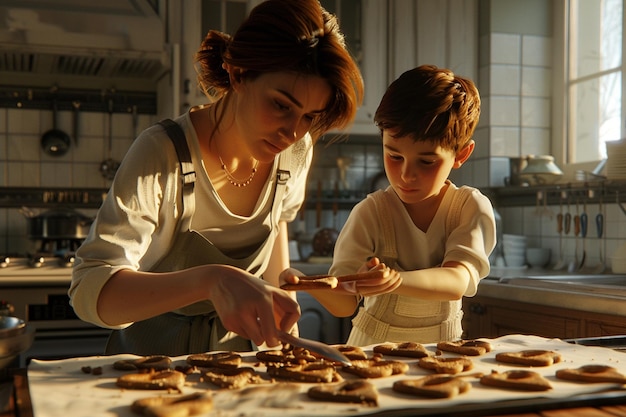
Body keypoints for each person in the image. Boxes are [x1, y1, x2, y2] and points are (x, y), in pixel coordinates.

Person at [68, 0, 364, 356]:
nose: (291, 132)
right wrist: (212, 280)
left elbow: (276, 241)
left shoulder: (296, 151)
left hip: (242, 361)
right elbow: (91, 291)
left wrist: (283, 342)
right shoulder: (162, 153)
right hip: (152, 364)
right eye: (281, 105)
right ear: (238, 73)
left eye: (308, 117)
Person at [310, 65, 496, 346]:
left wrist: (394, 280)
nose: (407, 175)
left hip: (441, 356)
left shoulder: (467, 208)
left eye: (427, 161)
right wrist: (306, 282)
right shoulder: (371, 213)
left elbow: (458, 279)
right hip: (370, 352)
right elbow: (345, 303)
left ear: (461, 154)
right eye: (394, 156)